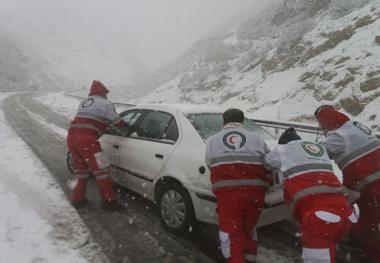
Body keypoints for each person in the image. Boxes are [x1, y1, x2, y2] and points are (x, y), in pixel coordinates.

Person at [264, 128, 357, 263]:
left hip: (320, 215)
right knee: (329, 249)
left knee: (318, 258)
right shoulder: (318, 148)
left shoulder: (284, 149)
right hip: (345, 211)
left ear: (283, 144)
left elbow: (266, 162)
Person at [314, 105, 380, 262]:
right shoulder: (355, 126)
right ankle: (358, 236)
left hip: (370, 183)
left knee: (369, 220)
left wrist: (297, 147)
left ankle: (373, 254)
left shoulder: (338, 136)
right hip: (367, 180)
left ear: (325, 121)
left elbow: (317, 151)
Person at [205, 108, 271, 263]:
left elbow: (210, 164)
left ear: (224, 121)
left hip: (228, 197)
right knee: (249, 230)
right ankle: (249, 259)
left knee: (232, 236)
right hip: (255, 195)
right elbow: (269, 162)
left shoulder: (212, 140)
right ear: (242, 121)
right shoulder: (256, 138)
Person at [67, 80, 125, 210]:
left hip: (72, 137)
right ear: (103, 92)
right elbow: (117, 121)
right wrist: (125, 126)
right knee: (102, 169)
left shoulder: (84, 102)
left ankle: (78, 199)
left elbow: (90, 118)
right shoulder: (106, 103)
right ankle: (109, 202)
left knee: (81, 171)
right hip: (87, 140)